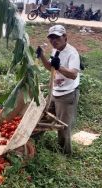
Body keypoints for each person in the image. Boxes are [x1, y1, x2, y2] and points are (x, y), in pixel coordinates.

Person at [36, 25, 80, 154]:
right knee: (42, 118)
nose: (54, 41)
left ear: (65, 37)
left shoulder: (72, 53)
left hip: (67, 94)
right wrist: (42, 56)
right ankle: (36, 142)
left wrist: (59, 66)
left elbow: (73, 74)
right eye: (51, 38)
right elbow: (51, 68)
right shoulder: (55, 51)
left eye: (57, 37)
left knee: (63, 127)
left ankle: (64, 154)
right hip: (55, 92)